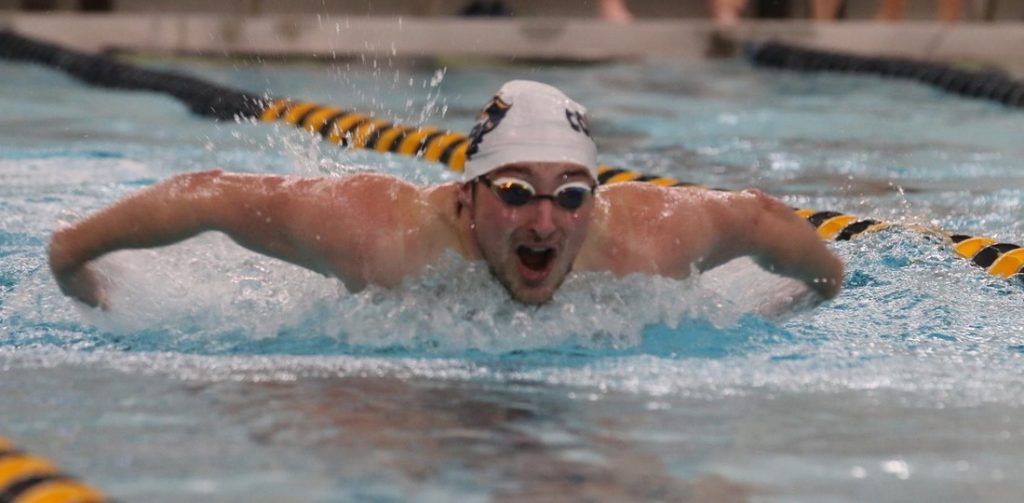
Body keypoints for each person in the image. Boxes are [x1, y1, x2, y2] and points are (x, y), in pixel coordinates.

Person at [48, 80, 843, 309]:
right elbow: (210, 195)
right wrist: (71, 256)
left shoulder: (643, 241)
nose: (544, 219)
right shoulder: (381, 234)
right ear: (466, 197)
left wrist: (818, 290)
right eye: (513, 191)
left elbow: (760, 217)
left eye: (570, 195)